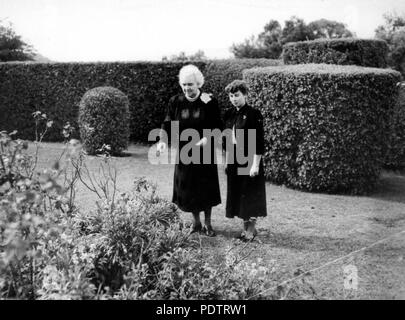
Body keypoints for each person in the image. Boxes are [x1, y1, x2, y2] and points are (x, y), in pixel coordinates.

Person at [157, 64, 222, 237]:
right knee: (189, 188)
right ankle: (196, 222)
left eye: (190, 85)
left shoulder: (209, 101)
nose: (187, 88)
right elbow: (167, 122)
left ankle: (208, 223)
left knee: (205, 187)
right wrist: (163, 141)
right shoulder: (176, 101)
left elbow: (218, 126)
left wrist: (208, 138)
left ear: (198, 84)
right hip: (184, 152)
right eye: (184, 85)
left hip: (204, 152)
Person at [223, 80, 267, 241]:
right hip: (234, 158)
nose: (234, 99)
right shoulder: (229, 114)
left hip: (249, 158)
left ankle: (251, 229)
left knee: (250, 193)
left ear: (245, 95)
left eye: (237, 95)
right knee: (239, 193)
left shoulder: (254, 114)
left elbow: (259, 142)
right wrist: (227, 161)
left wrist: (255, 165)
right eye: (231, 96)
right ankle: (245, 229)